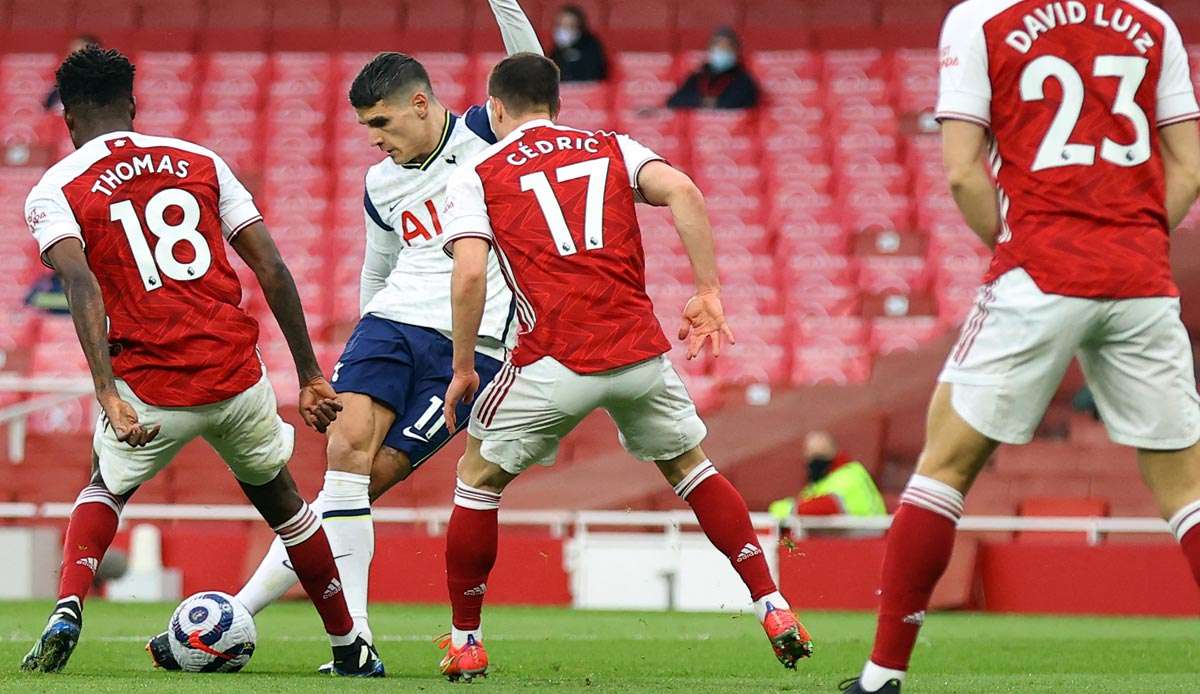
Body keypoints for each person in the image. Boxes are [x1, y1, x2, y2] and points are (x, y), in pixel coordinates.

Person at [143, 0, 544, 674]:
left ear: (421, 104)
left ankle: (238, 610)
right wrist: (363, 334)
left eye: (382, 124)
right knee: (344, 452)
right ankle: (354, 639)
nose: (374, 140)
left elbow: (529, 67)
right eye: (365, 128)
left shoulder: (487, 135)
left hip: (474, 348)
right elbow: (377, 264)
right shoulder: (379, 182)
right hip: (389, 327)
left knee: (360, 486)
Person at [840, 2, 1200, 692]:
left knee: (944, 465)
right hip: (1141, 278)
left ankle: (882, 676)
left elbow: (962, 173)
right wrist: (1137, 240)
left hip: (1038, 270)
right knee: (1187, 491)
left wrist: (1020, 249)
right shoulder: (1152, 21)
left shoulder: (981, 19)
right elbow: (1187, 165)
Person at [437, 52, 812, 681]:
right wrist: (708, 290)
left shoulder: (477, 172)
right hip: (638, 352)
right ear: (556, 104)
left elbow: (470, 271)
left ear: (495, 107)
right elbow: (685, 191)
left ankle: (465, 640)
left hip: (551, 357)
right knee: (693, 470)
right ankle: (772, 606)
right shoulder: (613, 144)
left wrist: (461, 368)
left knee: (476, 482)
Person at [19, 47, 381, 677]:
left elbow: (80, 284)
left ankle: (68, 608)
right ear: (131, 106)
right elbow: (270, 264)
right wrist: (310, 373)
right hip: (235, 376)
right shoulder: (201, 161)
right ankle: (350, 646)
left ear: (70, 119)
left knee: (107, 485)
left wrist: (106, 391)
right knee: (288, 507)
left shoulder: (56, 187)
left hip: (152, 386)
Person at [768, 431, 886, 518]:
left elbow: (825, 506)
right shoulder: (821, 481)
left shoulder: (849, 474)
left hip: (868, 539)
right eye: (811, 455)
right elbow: (805, 501)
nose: (815, 461)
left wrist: (783, 509)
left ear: (833, 452)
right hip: (849, 539)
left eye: (820, 455)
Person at [667, 27, 759, 110]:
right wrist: (701, 102)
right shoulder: (697, 77)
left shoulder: (744, 80)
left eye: (726, 47)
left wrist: (717, 103)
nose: (721, 51)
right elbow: (674, 101)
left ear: (736, 52)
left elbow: (746, 101)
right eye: (717, 46)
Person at [548, 4, 607, 82]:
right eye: (561, 25)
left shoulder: (591, 44)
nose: (564, 30)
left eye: (570, 25)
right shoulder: (556, 49)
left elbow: (596, 71)